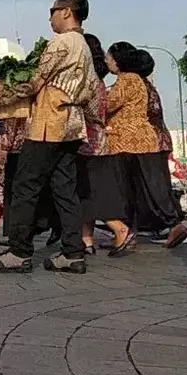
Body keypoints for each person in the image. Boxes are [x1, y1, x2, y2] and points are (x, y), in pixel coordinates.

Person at [0, 0, 99, 274]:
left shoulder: (61, 42)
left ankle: (19, 252)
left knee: (25, 186)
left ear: (67, 11)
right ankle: (72, 253)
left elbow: (34, 82)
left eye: (52, 11)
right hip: (72, 125)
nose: (50, 18)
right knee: (65, 190)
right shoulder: (84, 46)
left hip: (49, 123)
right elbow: (92, 92)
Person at [108, 44, 187, 248]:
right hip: (142, 141)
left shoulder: (127, 79)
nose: (106, 61)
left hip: (128, 141)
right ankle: (167, 225)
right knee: (148, 187)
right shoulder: (140, 82)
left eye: (108, 58)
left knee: (134, 189)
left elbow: (108, 105)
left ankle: (170, 225)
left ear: (118, 60)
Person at [78, 34, 133, 256]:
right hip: (99, 141)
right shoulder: (98, 80)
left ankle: (120, 229)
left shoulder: (86, 79)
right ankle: (86, 238)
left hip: (86, 142)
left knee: (92, 191)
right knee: (87, 190)